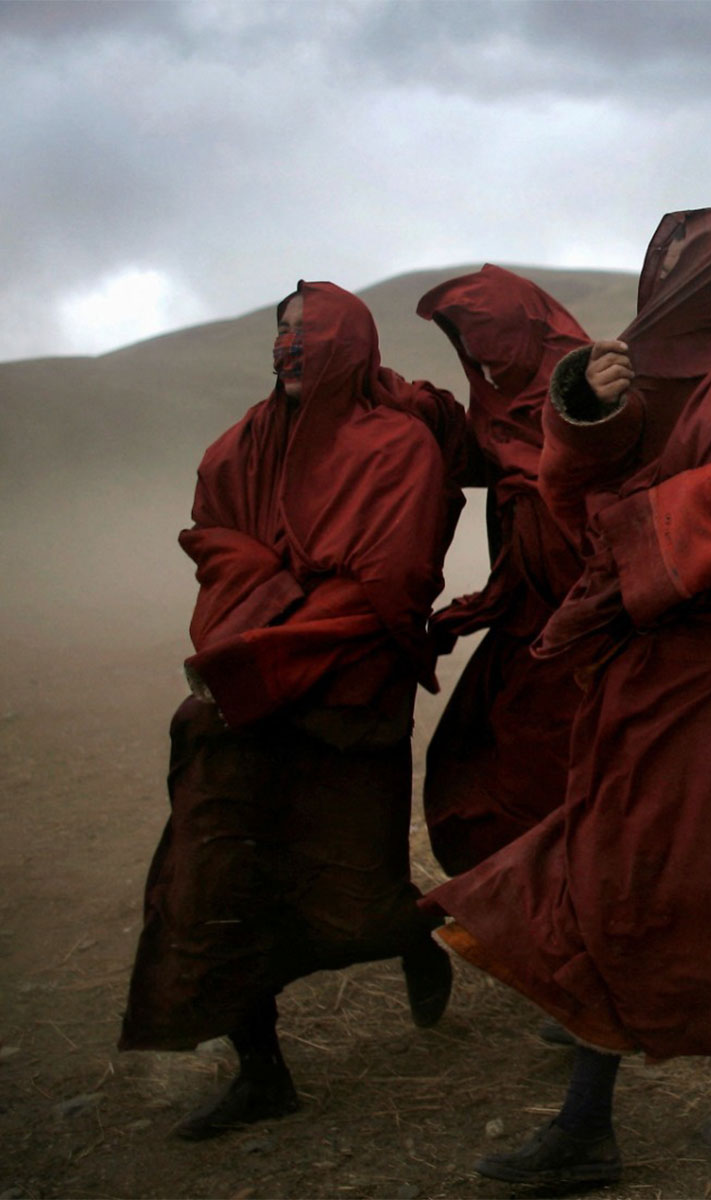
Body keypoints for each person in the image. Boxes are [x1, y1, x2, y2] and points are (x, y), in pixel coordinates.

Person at [421, 209, 711, 1191]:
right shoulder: (639, 372)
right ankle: (587, 1124)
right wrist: (585, 414)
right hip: (646, 662)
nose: (666, 293)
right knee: (608, 873)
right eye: (658, 272)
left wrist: (672, 515)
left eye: (688, 272)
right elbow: (582, 500)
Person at [118, 282, 459, 1139]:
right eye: (281, 330)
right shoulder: (244, 445)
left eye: (309, 331)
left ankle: (411, 934)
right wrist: (265, 606)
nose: (290, 346)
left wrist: (285, 631)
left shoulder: (398, 448)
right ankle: (263, 1074)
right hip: (240, 706)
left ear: (352, 345)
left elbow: (393, 581)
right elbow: (212, 536)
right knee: (219, 883)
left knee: (355, 906)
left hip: (346, 703)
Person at [404, 265, 591, 875]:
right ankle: (518, 892)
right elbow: (472, 460)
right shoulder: (495, 406)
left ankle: (563, 894)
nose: (483, 361)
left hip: (591, 620)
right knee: (483, 753)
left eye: (493, 341)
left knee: (561, 760)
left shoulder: (589, 396)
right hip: (525, 614)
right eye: (468, 345)